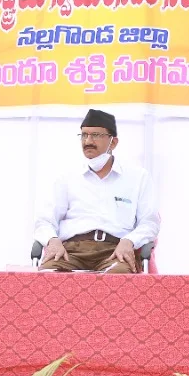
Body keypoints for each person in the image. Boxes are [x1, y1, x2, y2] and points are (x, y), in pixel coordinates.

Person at [33, 109, 160, 274]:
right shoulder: (66, 177)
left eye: (95, 135)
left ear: (113, 142)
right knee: (46, 282)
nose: (88, 141)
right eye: (84, 135)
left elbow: (150, 223)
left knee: (120, 284)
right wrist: (52, 240)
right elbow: (44, 221)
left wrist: (130, 241)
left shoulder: (137, 177)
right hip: (70, 252)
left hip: (115, 251)